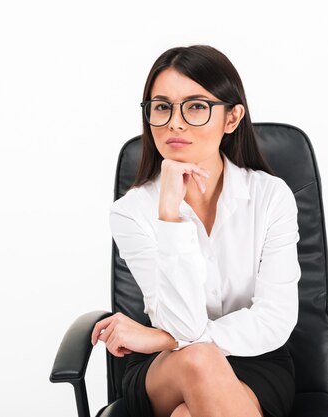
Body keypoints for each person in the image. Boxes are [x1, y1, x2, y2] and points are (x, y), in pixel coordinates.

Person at [90, 45, 301, 417]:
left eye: (196, 106)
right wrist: (169, 214)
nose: (175, 122)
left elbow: (274, 320)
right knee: (199, 360)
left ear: (232, 118)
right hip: (165, 367)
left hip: (256, 360)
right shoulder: (131, 213)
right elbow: (183, 324)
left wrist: (161, 337)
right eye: (161, 107)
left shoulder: (270, 197)